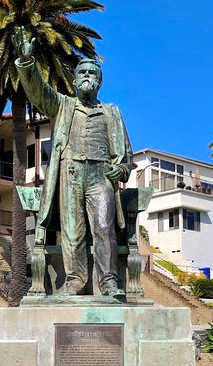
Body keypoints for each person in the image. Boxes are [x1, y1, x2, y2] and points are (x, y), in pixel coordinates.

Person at [13, 27, 133, 298]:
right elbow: (37, 90)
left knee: (104, 228)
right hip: (70, 172)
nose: (87, 77)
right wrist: (27, 61)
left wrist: (121, 168)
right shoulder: (62, 105)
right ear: (75, 79)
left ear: (99, 82)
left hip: (101, 176)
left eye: (93, 73)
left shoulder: (112, 112)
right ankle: (75, 281)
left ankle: (109, 283)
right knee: (72, 232)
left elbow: (126, 155)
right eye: (83, 73)